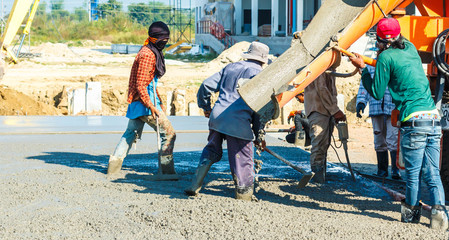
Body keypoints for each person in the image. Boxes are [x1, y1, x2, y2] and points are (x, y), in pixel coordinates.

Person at [350, 17, 447, 230]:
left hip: (413, 121)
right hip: (433, 118)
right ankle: (440, 212)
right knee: (432, 172)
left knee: (413, 174)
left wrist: (362, 69)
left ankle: (411, 214)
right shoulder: (411, 48)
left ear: (382, 42)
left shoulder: (385, 58)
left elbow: (376, 92)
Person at [184, 42, 268, 200]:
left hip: (217, 117)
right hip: (238, 121)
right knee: (243, 158)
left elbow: (205, 85)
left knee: (211, 150)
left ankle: (195, 184)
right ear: (263, 60)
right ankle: (244, 194)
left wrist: (206, 107)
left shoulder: (231, 67)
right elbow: (258, 111)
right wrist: (258, 136)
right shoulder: (260, 75)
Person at [107, 21, 178, 180]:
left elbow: (150, 82)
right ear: (155, 39)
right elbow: (141, 84)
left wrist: (158, 101)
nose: (165, 43)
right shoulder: (147, 54)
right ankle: (166, 172)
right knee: (168, 133)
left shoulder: (149, 50)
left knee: (130, 133)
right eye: (164, 40)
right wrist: (152, 105)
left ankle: (113, 167)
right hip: (144, 103)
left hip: (142, 102)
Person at [356, 65, 401, 179]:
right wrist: (361, 102)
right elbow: (364, 86)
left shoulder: (395, 64)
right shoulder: (370, 67)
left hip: (393, 109)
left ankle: (396, 171)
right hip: (376, 108)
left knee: (394, 139)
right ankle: (382, 170)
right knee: (379, 140)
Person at [304, 70, 346, 183]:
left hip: (326, 111)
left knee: (323, 145)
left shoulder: (329, 67)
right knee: (318, 144)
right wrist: (335, 110)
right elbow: (322, 89)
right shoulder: (320, 64)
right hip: (318, 110)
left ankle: (320, 177)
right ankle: (317, 179)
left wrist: (333, 111)